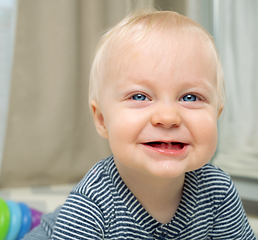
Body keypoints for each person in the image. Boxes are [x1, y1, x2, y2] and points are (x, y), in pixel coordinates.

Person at [24, 9, 256, 240]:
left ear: (217, 115)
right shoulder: (92, 202)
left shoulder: (218, 192)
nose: (168, 117)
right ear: (102, 120)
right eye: (139, 97)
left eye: (190, 97)